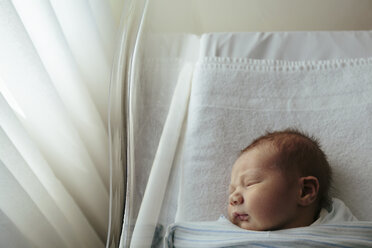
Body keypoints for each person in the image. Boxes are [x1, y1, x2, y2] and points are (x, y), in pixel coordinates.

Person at [228, 128, 334, 231]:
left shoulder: (338, 234)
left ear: (305, 191)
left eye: (250, 183)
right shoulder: (221, 233)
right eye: (232, 190)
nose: (233, 198)